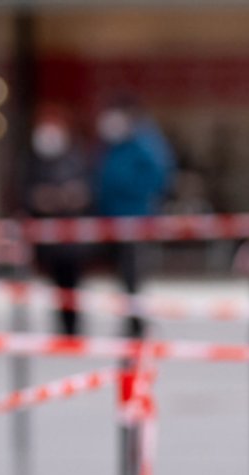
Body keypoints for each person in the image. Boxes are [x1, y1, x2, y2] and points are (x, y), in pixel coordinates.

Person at [93, 102, 175, 337]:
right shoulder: (111, 147)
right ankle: (132, 320)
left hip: (136, 221)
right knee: (124, 276)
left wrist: (129, 190)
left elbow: (158, 178)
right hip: (113, 221)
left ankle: (136, 322)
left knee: (134, 274)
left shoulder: (144, 144)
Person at [24, 110, 93, 335]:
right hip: (50, 241)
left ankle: (73, 327)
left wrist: (70, 197)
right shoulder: (34, 162)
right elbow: (27, 194)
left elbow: (87, 191)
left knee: (73, 285)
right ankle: (63, 328)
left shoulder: (76, 159)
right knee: (57, 286)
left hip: (72, 240)